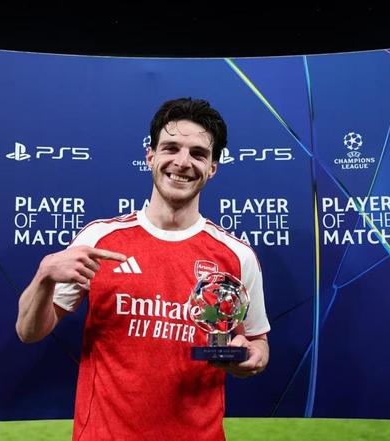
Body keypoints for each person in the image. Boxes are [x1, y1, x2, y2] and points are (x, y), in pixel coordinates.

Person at [16, 98, 270, 440]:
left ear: (212, 168)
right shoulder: (98, 239)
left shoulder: (237, 256)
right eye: (171, 148)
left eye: (198, 154)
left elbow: (257, 342)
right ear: (150, 156)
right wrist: (44, 275)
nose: (182, 162)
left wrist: (253, 357)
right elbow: (28, 332)